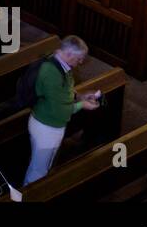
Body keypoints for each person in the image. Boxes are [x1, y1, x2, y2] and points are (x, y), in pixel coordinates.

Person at [22, 35, 100, 187]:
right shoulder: (51, 73)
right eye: (79, 58)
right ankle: (30, 194)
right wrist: (82, 105)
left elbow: (64, 91)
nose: (81, 62)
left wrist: (80, 96)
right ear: (69, 54)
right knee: (38, 171)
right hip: (46, 127)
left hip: (51, 126)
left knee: (44, 166)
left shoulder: (61, 64)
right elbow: (60, 110)